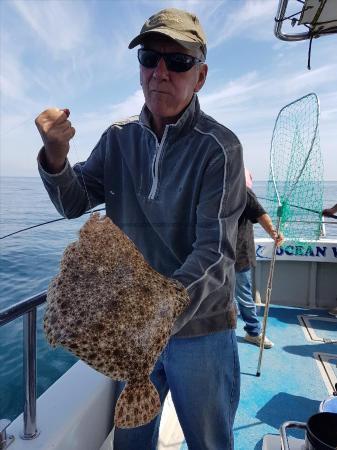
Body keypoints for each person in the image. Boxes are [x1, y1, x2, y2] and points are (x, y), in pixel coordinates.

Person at [35, 8, 246, 450]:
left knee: (209, 442)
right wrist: (55, 155)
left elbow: (213, 252)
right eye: (150, 58)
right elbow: (74, 202)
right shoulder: (118, 138)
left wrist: (154, 319)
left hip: (199, 330)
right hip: (133, 331)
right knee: (130, 443)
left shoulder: (220, 148)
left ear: (200, 76)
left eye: (179, 62)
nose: (161, 72)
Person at [235, 172, 284, 349]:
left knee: (244, 296)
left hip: (239, 254)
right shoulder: (215, 189)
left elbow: (260, 213)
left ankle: (253, 332)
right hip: (216, 254)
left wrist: (273, 232)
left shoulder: (244, 192)